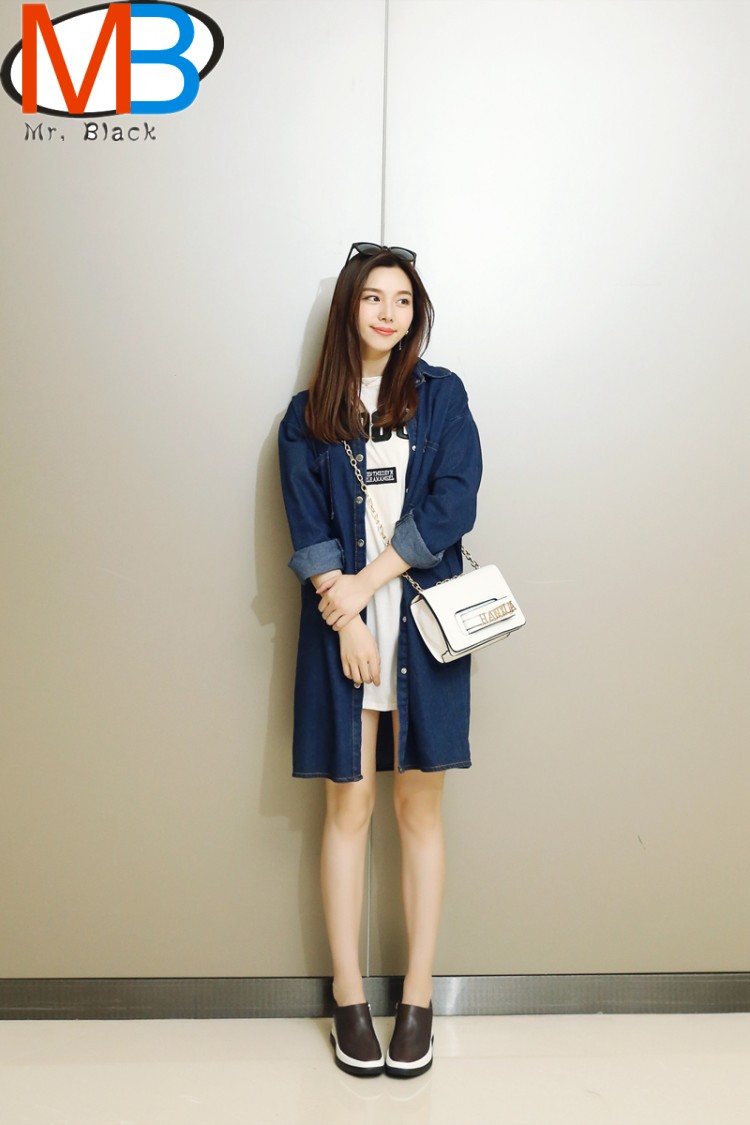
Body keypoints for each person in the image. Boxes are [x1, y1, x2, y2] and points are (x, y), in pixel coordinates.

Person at [278, 242, 482, 1078]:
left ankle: (420, 998)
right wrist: (348, 618)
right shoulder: (307, 415)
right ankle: (349, 997)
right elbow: (307, 526)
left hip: (423, 630)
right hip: (346, 637)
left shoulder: (443, 396)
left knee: (418, 812)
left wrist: (364, 588)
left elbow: (455, 502)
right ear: (349, 308)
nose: (388, 313)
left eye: (402, 299)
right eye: (373, 297)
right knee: (350, 809)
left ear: (415, 312)